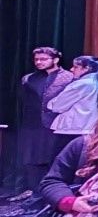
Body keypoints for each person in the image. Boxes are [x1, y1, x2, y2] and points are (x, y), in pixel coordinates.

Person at [16, 47, 74, 197]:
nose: (39, 62)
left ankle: (54, 195)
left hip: (57, 125)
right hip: (32, 125)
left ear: (55, 60)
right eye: (36, 59)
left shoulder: (69, 77)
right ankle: (36, 194)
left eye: (43, 59)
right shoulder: (29, 79)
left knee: (54, 158)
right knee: (32, 159)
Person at [47, 55, 98, 152]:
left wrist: (51, 103)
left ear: (87, 68)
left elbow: (58, 106)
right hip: (93, 130)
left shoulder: (82, 83)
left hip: (73, 131)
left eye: (75, 67)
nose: (71, 69)